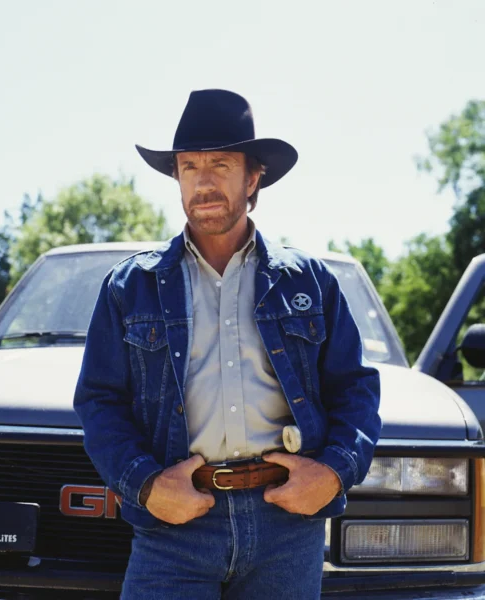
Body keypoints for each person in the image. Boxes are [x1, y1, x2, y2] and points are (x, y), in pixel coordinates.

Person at [74, 89, 381, 600]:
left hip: (287, 526)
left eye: (220, 164)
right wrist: (147, 485)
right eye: (190, 167)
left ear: (252, 177)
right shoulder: (131, 287)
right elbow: (99, 402)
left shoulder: (310, 283)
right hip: (176, 526)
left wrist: (333, 473)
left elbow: (356, 390)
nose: (204, 181)